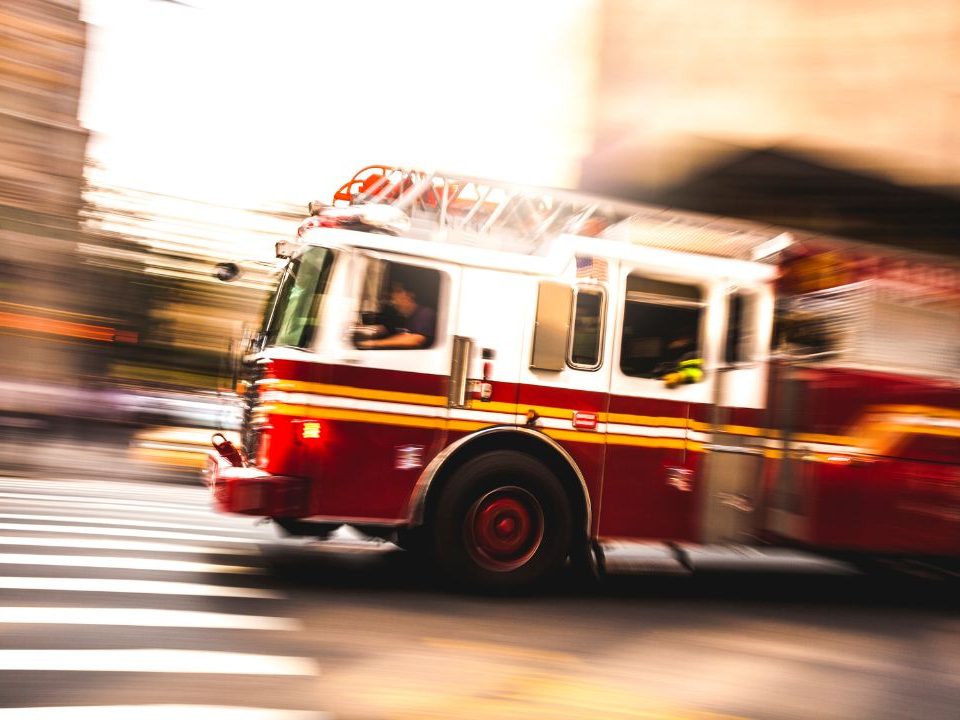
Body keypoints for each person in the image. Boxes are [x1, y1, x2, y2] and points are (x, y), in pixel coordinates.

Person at [357, 280, 436, 349]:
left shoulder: (425, 314)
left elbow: (416, 339)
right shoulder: (404, 316)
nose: (393, 296)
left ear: (410, 295)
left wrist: (372, 343)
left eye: (398, 291)